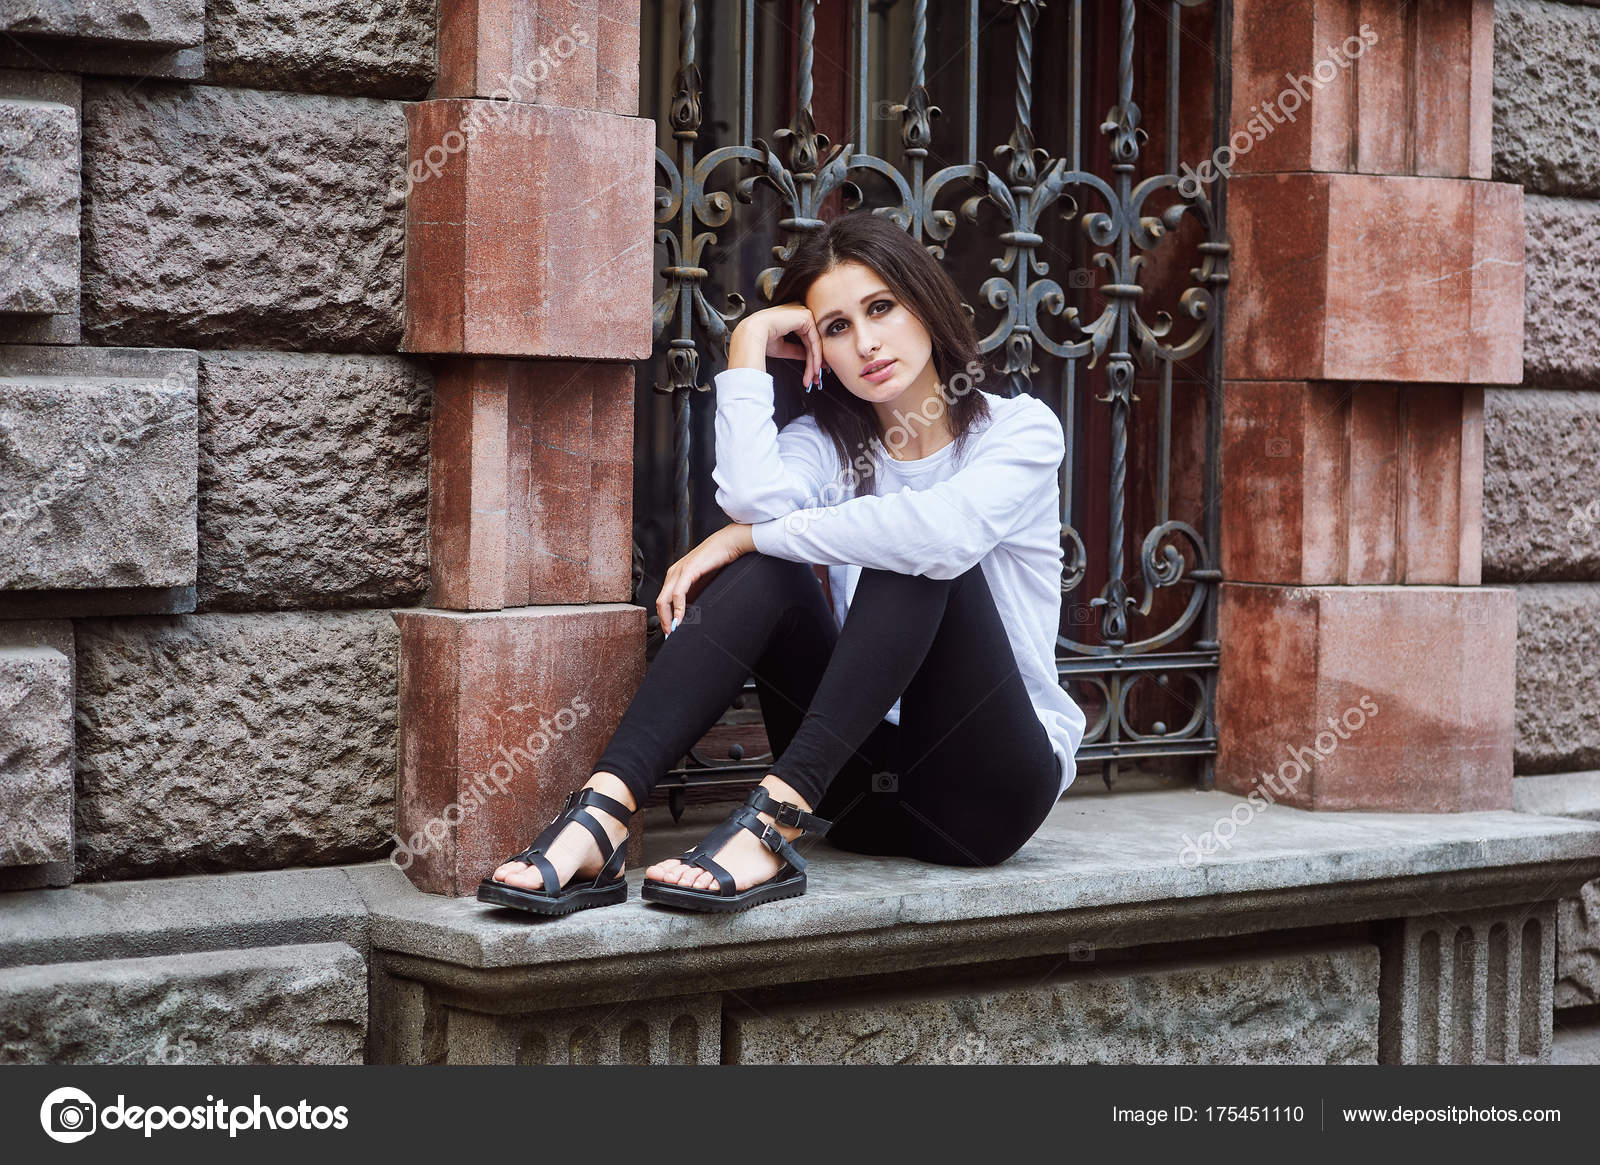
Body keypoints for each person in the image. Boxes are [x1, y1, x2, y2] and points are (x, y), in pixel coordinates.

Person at [476, 210, 1085, 917]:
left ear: (924, 299)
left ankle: (769, 825)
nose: (866, 343)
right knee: (776, 568)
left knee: (909, 551)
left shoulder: (1021, 430)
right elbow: (751, 497)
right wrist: (750, 337)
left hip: (986, 790)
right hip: (856, 791)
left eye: (881, 307)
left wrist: (748, 537)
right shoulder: (825, 441)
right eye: (835, 327)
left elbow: (939, 536)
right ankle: (602, 816)